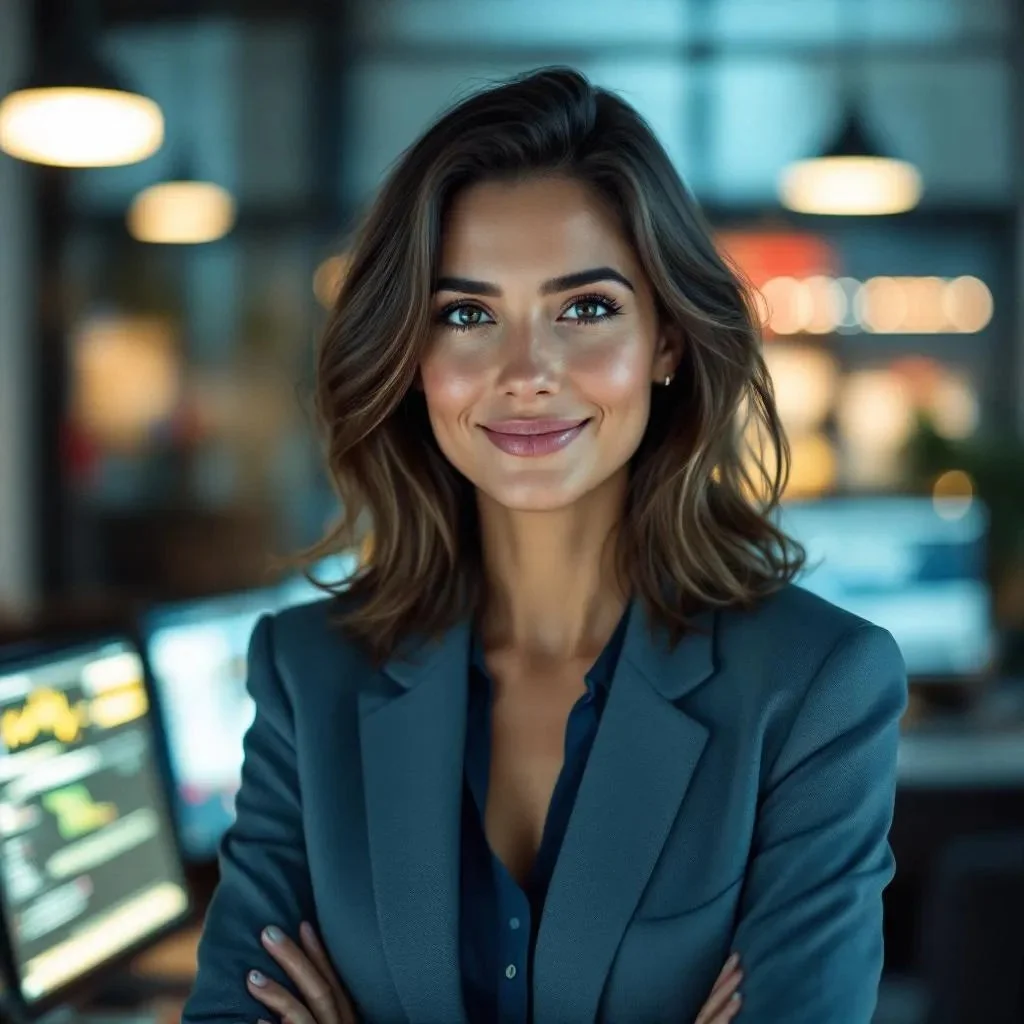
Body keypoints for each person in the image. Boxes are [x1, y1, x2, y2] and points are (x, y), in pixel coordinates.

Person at [181, 67, 907, 1024]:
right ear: (412, 355)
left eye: (586, 308)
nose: (527, 373)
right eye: (467, 315)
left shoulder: (819, 684)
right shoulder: (309, 673)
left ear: (668, 342)